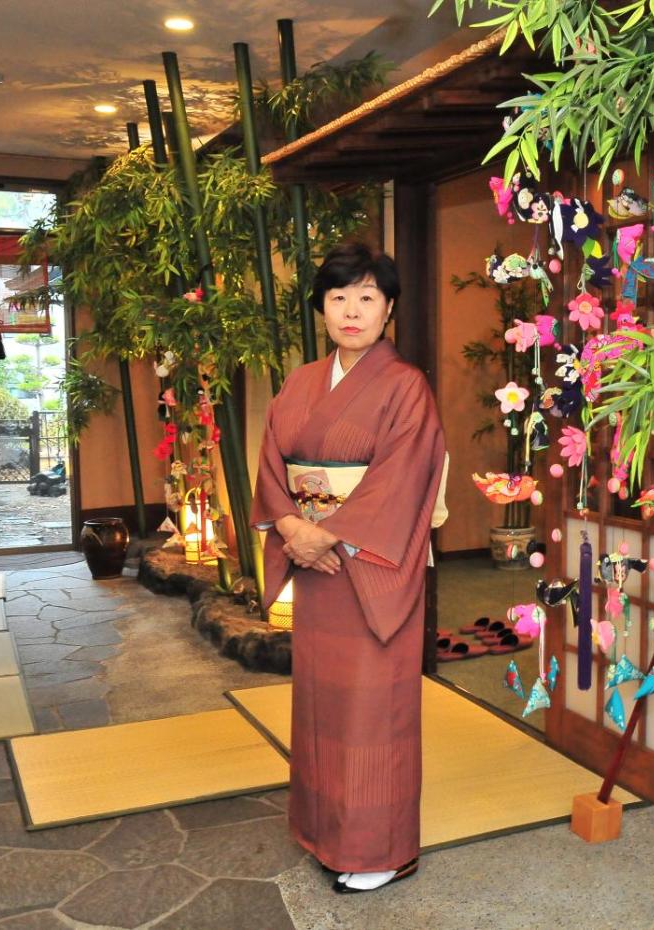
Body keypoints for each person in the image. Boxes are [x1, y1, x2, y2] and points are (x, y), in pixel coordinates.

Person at [251, 242, 447, 894]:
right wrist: (291, 528)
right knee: (322, 707)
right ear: (322, 308)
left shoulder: (405, 386)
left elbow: (403, 478)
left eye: (367, 297)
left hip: (367, 569)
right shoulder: (301, 381)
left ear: (388, 309)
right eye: (339, 298)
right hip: (317, 567)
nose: (352, 311)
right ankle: (326, 832)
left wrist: (325, 536)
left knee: (372, 713)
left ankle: (380, 850)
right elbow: (271, 465)